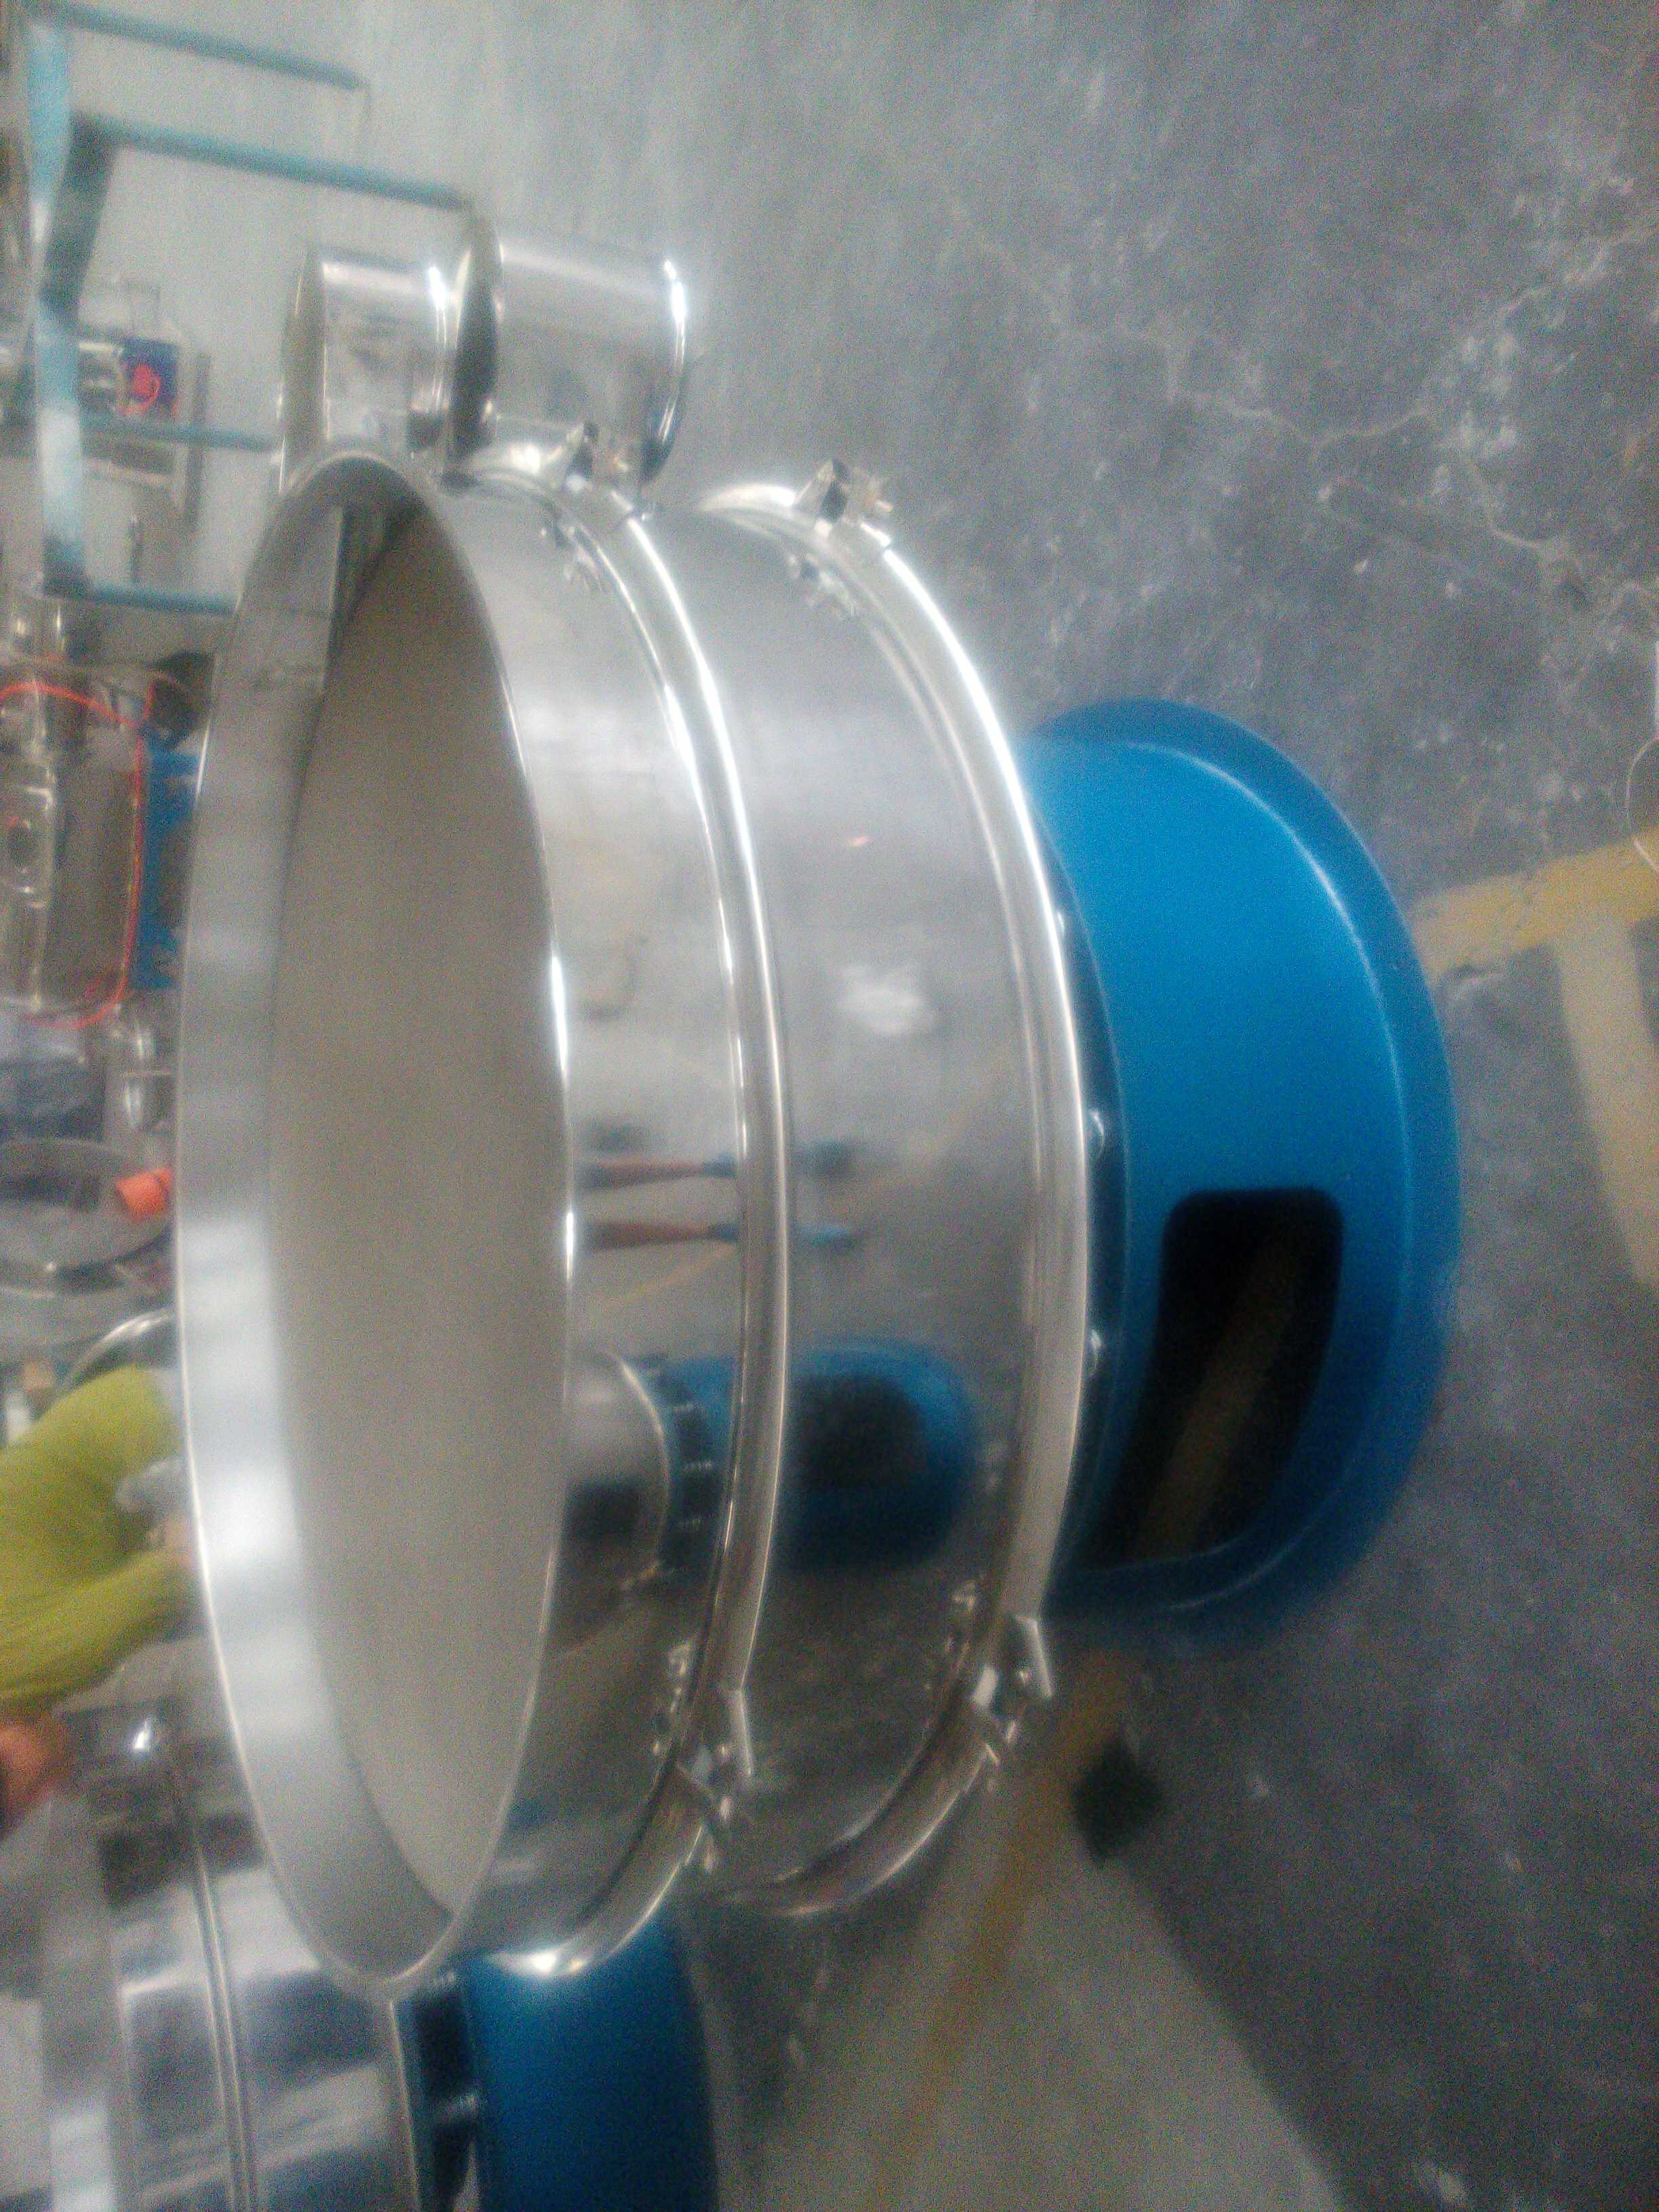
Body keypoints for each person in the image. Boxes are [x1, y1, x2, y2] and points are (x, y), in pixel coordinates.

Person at [0, 1368, 189, 1836]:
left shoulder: (23, 1670)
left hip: (167, 1428)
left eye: (32, 1788)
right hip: (124, 1410)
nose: (56, 1788)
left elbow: (188, 1566)